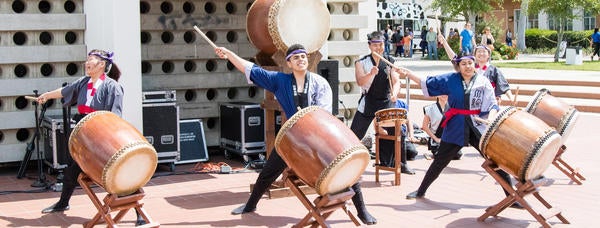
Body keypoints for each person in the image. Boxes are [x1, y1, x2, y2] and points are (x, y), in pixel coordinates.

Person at [221, 44, 377, 225]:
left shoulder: (320, 83)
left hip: (320, 138)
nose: (301, 59)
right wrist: (230, 54)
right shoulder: (280, 81)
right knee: (268, 172)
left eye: (303, 56)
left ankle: (362, 211)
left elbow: (324, 116)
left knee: (346, 168)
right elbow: (252, 69)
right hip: (292, 138)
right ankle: (250, 204)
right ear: (289, 63)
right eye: (296, 57)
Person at [37, 49, 147, 224]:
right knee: (72, 170)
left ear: (102, 65)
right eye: (87, 60)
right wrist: (47, 96)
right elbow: (65, 91)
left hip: (105, 134)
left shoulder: (113, 87)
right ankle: (63, 203)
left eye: (92, 60)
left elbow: (114, 118)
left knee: (120, 173)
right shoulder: (83, 82)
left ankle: (139, 213)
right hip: (84, 134)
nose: (87, 63)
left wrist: (107, 138)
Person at [397, 55, 522, 209]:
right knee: (440, 161)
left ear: (475, 64)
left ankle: (511, 197)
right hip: (455, 125)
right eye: (463, 64)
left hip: (477, 125)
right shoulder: (451, 79)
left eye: (470, 63)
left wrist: (490, 117)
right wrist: (409, 73)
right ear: (458, 66)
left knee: (494, 160)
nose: (467, 66)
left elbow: (492, 105)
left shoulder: (483, 82)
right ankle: (421, 190)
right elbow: (428, 83)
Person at [351, 31, 411, 174]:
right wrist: (370, 74)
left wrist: (395, 94)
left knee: (398, 132)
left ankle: (400, 163)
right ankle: (346, 163)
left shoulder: (390, 61)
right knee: (354, 134)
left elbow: (396, 82)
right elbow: (360, 82)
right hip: (368, 102)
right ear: (369, 46)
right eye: (375, 45)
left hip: (386, 102)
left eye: (381, 44)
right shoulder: (361, 62)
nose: (378, 48)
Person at [440, 33, 514, 105]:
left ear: (488, 55)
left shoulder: (494, 70)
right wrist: (445, 43)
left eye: (484, 52)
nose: (481, 54)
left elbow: (504, 86)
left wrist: (511, 98)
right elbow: (454, 58)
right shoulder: (470, 67)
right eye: (479, 51)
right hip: (471, 103)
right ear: (474, 55)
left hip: (489, 104)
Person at [421, 95, 462, 160]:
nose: (444, 95)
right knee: (440, 154)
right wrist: (436, 139)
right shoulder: (430, 108)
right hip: (437, 139)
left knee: (458, 154)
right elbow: (424, 126)